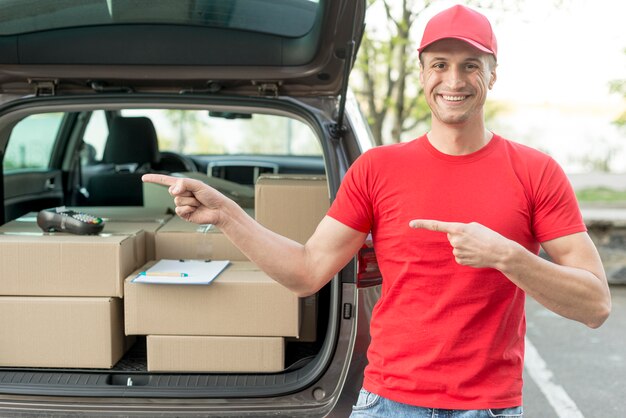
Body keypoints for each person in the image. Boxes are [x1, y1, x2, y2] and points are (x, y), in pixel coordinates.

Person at [142, 4, 611, 417]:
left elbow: (595, 306)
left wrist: (508, 256)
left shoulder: (536, 172)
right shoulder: (377, 169)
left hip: (486, 406)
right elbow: (307, 272)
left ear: (492, 74)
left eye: (471, 65)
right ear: (422, 72)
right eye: (440, 65)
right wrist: (227, 214)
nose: (454, 80)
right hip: (388, 402)